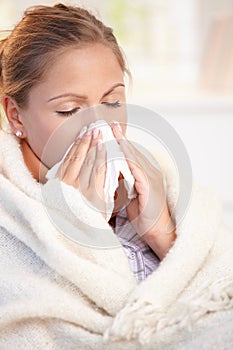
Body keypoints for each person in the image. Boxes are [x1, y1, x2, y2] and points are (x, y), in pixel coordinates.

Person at [0, 4, 232, 350]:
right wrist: (78, 225)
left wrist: (165, 235)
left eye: (111, 102)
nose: (97, 126)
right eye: (69, 110)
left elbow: (220, 294)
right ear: (15, 116)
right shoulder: (12, 217)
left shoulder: (158, 180)